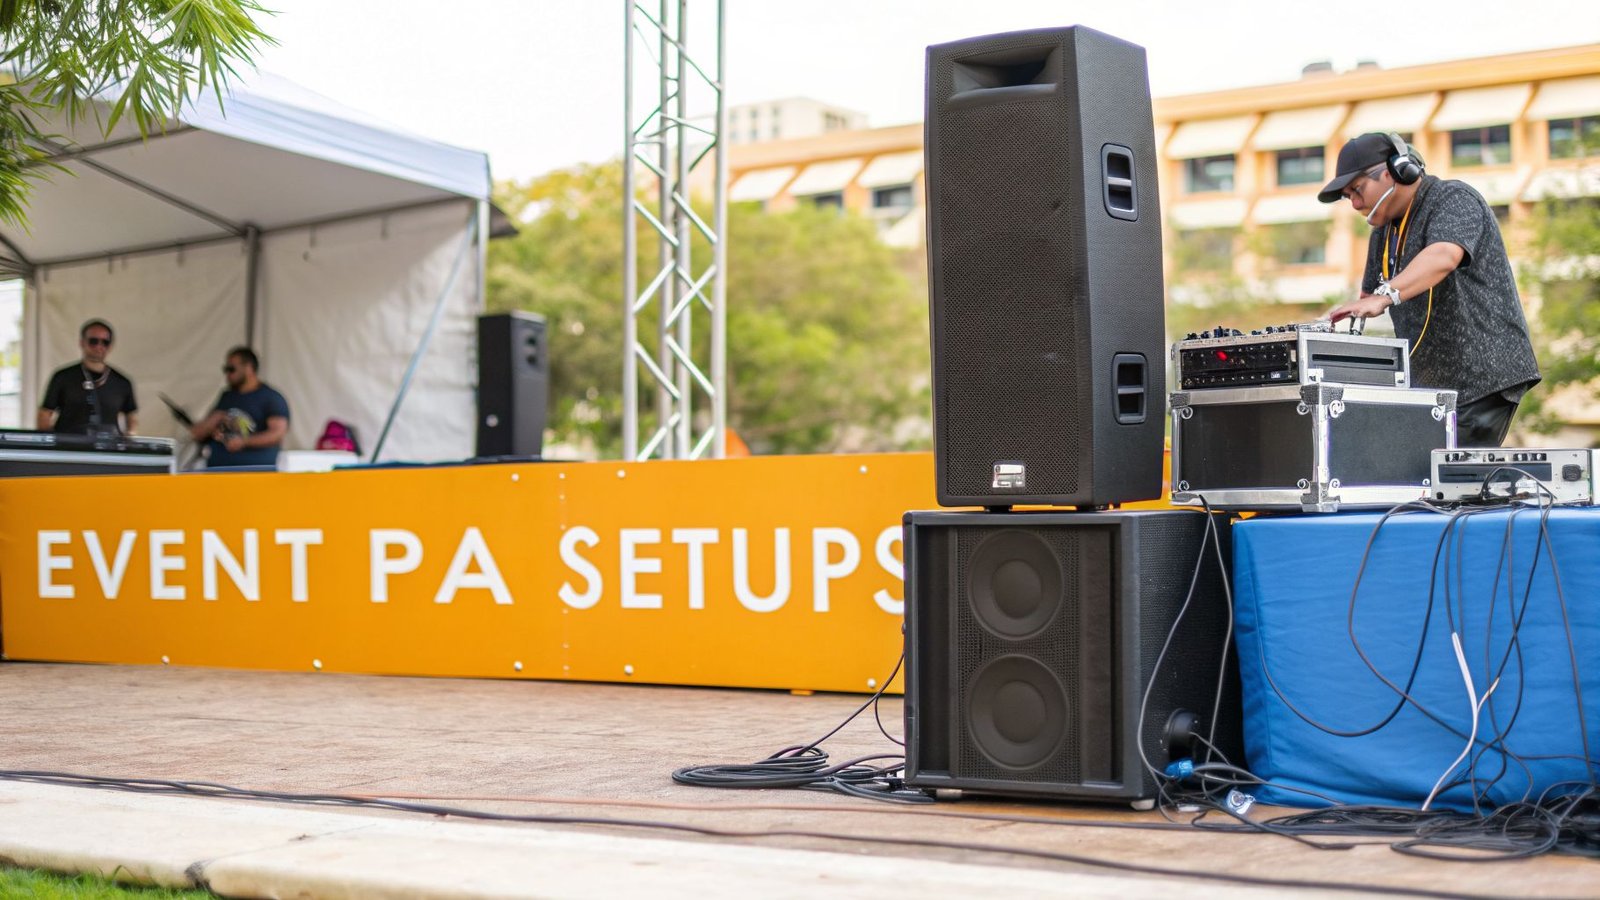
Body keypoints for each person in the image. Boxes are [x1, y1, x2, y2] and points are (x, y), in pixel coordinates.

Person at [1322, 132, 1540, 447]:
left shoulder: (1453, 198)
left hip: (1480, 377)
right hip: (1430, 387)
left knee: (1447, 482)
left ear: (1396, 170)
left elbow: (1444, 256)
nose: (1355, 203)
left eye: (1357, 189)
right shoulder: (1383, 233)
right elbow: (1368, 301)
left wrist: (1387, 297)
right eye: (1348, 196)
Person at [189, 346, 290, 468]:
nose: (227, 374)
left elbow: (278, 433)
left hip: (255, 472)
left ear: (248, 368)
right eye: (225, 369)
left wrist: (244, 441)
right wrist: (214, 421)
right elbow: (198, 433)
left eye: (231, 369)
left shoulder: (271, 398)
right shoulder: (227, 396)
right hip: (218, 470)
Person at [37, 319, 138, 435]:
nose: (99, 346)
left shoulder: (122, 382)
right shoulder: (62, 377)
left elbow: (132, 419)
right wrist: (52, 445)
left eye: (105, 342)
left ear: (110, 346)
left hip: (108, 449)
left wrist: (128, 440)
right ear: (82, 343)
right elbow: (44, 415)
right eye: (93, 341)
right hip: (69, 448)